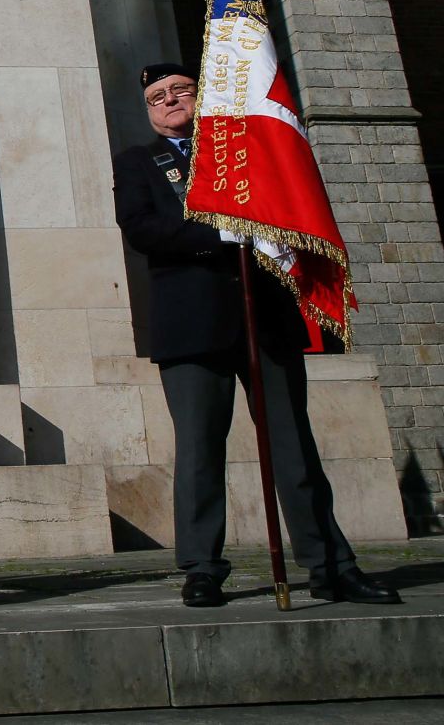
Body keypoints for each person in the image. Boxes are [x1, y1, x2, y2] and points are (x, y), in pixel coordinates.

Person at [112, 62, 401, 608]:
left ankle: (330, 566)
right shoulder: (138, 163)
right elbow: (142, 229)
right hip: (192, 324)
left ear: (202, 95)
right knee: (200, 449)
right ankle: (201, 567)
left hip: (262, 313)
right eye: (157, 97)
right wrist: (220, 232)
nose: (170, 101)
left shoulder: (249, 148)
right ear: (149, 112)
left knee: (294, 447)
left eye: (180, 90)